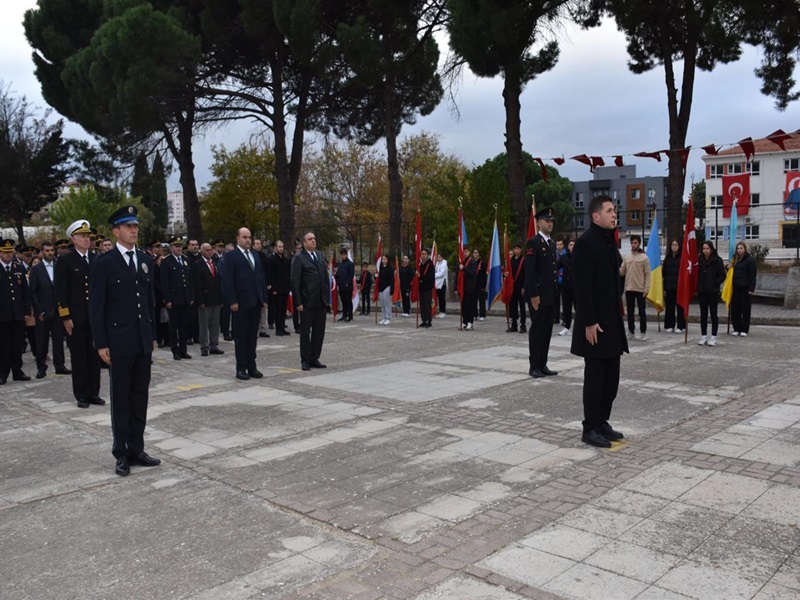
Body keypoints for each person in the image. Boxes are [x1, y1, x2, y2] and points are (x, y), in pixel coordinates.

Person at [88, 205, 160, 477]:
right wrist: (101, 343)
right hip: (118, 342)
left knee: (140, 397)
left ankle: (137, 448)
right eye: (128, 226)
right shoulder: (104, 264)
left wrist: (151, 335)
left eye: (136, 226)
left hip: (141, 341)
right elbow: (97, 306)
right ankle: (121, 452)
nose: (134, 230)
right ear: (116, 231)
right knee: (121, 399)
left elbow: (149, 301)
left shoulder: (145, 259)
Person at [571, 196, 629, 448]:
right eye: (609, 211)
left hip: (612, 322)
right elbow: (581, 288)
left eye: (614, 210)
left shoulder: (608, 242)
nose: (614, 214)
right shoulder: (586, 243)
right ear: (596, 216)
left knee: (611, 377)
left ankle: (603, 421)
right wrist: (589, 322)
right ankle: (590, 426)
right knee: (595, 377)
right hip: (595, 324)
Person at [55, 220, 104, 408]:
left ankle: (94, 392)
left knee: (94, 355)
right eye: (82, 236)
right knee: (79, 357)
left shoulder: (96, 259)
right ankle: (81, 394)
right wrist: (65, 317)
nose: (86, 239)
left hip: (94, 317)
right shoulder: (66, 261)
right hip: (76, 318)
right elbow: (61, 291)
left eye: (88, 236)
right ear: (73, 239)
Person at [221, 227, 268, 380]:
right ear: (238, 239)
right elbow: (228, 280)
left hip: (255, 302)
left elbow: (260, 278)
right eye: (244, 237)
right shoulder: (231, 256)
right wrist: (232, 301)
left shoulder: (255, 255)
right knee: (241, 337)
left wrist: (263, 299)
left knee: (252, 337)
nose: (248, 240)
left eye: (249, 237)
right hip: (240, 303)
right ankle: (241, 368)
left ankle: (252, 366)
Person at [525, 208, 558, 378]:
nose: (550, 223)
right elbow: (530, 271)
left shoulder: (551, 244)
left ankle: (543, 364)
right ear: (538, 222)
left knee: (546, 330)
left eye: (551, 221)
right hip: (538, 295)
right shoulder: (534, 242)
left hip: (550, 295)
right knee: (537, 330)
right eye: (546, 220)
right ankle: (534, 366)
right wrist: (533, 295)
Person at [29, 241, 70, 378]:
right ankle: (41, 367)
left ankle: (60, 365)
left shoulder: (59, 266)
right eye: (47, 251)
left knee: (58, 339)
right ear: (42, 252)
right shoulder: (36, 269)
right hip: (43, 311)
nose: (50, 253)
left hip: (58, 309)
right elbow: (33, 292)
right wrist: (38, 310)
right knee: (42, 341)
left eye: (52, 250)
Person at [290, 231, 330, 370]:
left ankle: (314, 358)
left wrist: (327, 298)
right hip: (307, 302)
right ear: (304, 243)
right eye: (310, 239)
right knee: (305, 332)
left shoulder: (319, 255)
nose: (313, 240)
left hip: (320, 301)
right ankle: (305, 360)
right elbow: (295, 282)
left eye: (314, 238)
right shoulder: (299, 258)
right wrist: (298, 302)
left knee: (319, 332)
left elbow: (325, 277)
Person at [0, 238, 31, 385]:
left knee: (17, 344)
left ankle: (17, 371)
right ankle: (3, 372)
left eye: (10, 252)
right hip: (2, 315)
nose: (8, 255)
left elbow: (25, 291)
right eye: (5, 252)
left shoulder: (18, 267)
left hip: (17, 314)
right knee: (3, 346)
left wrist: (26, 311)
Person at [161, 236, 194, 360]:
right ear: (171, 248)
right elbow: (165, 283)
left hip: (185, 299)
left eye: (180, 246)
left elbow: (190, 280)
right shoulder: (167, 261)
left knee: (184, 326)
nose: (179, 248)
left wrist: (191, 296)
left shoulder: (186, 260)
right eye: (176, 246)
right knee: (174, 327)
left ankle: (183, 349)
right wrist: (167, 299)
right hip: (174, 300)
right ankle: (175, 350)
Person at [192, 242, 225, 357]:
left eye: (211, 250)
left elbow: (218, 281)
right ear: (202, 251)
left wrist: (221, 299)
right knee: (204, 325)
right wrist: (200, 301)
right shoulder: (198, 264)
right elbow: (197, 284)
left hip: (215, 299)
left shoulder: (214, 263)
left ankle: (214, 345)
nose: (210, 252)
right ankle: (204, 347)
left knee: (215, 324)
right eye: (207, 250)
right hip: (205, 300)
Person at [619, 234, 650, 341]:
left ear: (639, 243)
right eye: (632, 243)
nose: (633, 245)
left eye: (635, 243)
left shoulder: (644, 258)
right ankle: (631, 331)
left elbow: (648, 274)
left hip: (640, 289)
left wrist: (646, 288)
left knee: (642, 312)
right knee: (630, 312)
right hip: (629, 288)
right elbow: (622, 272)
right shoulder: (627, 257)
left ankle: (643, 332)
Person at [697, 240, 726, 346]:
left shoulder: (717, 260)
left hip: (712, 291)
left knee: (713, 314)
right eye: (704, 249)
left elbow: (722, 275)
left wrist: (714, 283)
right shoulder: (699, 260)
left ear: (711, 249)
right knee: (703, 315)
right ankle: (703, 336)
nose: (705, 251)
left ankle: (713, 337)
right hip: (702, 291)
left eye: (707, 249)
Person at [730, 242, 757, 336]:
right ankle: (736, 328)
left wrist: (751, 288)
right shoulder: (735, 260)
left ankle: (744, 329)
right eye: (738, 248)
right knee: (735, 309)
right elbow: (731, 271)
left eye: (741, 248)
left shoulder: (750, 260)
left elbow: (752, 275)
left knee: (745, 309)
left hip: (745, 288)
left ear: (745, 249)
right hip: (736, 287)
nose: (739, 250)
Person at [266, 240, 291, 336]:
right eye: (279, 247)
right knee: (277, 309)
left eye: (282, 247)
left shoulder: (285, 260)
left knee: (283, 309)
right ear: (275, 248)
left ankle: (282, 326)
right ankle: (278, 329)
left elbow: (287, 274)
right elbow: (270, 275)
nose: (281, 248)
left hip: (284, 288)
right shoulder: (271, 259)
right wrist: (273, 289)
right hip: (277, 289)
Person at [662, 239, 685, 333]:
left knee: (680, 307)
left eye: (676, 245)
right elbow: (664, 272)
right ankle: (670, 325)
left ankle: (681, 326)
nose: (674, 246)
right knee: (669, 307)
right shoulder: (668, 258)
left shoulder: (682, 258)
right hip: (669, 286)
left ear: (679, 246)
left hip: (679, 287)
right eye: (672, 245)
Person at [506, 242, 526, 333]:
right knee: (513, 306)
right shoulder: (511, 261)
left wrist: (524, 287)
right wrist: (505, 274)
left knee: (522, 306)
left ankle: (523, 325)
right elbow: (508, 273)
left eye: (518, 248)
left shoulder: (523, 260)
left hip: (520, 286)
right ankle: (514, 324)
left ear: (521, 250)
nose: (516, 250)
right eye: (515, 249)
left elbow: (526, 275)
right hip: (512, 286)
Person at [558, 239, 575, 336]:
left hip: (577, 287)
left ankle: (580, 326)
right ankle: (567, 327)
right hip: (566, 286)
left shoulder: (580, 257)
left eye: (574, 245)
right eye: (571, 245)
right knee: (566, 308)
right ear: (568, 246)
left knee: (579, 308)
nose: (572, 246)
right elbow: (556, 267)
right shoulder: (563, 257)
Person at [459, 244, 477, 330]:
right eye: (463, 252)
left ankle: (470, 322)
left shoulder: (472, 262)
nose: (465, 253)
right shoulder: (461, 261)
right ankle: (464, 321)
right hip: (463, 288)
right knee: (464, 306)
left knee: (470, 305)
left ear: (469, 252)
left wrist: (464, 268)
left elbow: (472, 273)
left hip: (470, 287)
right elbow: (457, 275)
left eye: (466, 251)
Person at [335, 248, 354, 322]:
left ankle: (350, 316)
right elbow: (338, 274)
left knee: (348, 301)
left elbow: (351, 275)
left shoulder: (350, 264)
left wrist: (347, 283)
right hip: (341, 286)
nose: (342, 256)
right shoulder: (340, 264)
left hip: (348, 287)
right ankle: (344, 315)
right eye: (341, 255)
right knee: (343, 301)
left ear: (346, 255)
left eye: (344, 255)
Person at [418, 248, 435, 327]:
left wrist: (421, 277)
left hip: (427, 287)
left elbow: (430, 276)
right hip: (421, 287)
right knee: (422, 304)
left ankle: (429, 320)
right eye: (422, 254)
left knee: (427, 304)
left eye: (425, 254)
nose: (423, 255)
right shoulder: (420, 264)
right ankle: (424, 319)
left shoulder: (430, 264)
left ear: (428, 255)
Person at [377, 255, 394, 325]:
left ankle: (388, 317)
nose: (384, 260)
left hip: (387, 287)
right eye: (383, 259)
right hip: (381, 287)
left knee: (387, 303)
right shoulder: (380, 268)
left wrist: (392, 289)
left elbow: (392, 279)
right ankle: (384, 317)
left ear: (388, 260)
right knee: (382, 303)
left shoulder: (390, 268)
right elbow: (379, 278)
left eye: (385, 259)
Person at [554, 239, 566, 325]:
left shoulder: (565, 254)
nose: (559, 246)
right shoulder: (554, 254)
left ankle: (565, 318)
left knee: (565, 300)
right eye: (557, 245)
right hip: (556, 280)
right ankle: (556, 317)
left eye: (560, 244)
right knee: (556, 300)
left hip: (564, 279)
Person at [434, 253, 448, 318]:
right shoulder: (437, 263)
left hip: (442, 283)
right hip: (437, 283)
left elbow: (441, 273)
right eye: (438, 257)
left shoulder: (444, 264)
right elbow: (436, 271)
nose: (438, 258)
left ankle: (443, 311)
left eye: (439, 257)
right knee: (439, 297)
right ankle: (440, 311)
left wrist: (434, 275)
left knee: (442, 297)